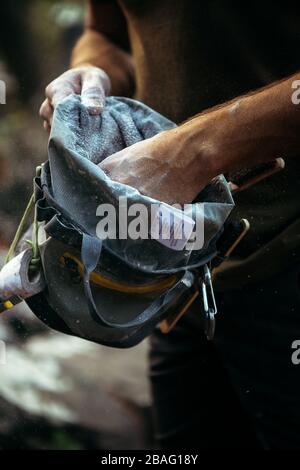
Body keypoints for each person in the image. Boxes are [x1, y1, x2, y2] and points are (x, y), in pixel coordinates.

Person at [40, 0, 300, 449]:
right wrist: (90, 72)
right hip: (178, 281)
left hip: (287, 255)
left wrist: (191, 153)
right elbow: (109, 35)